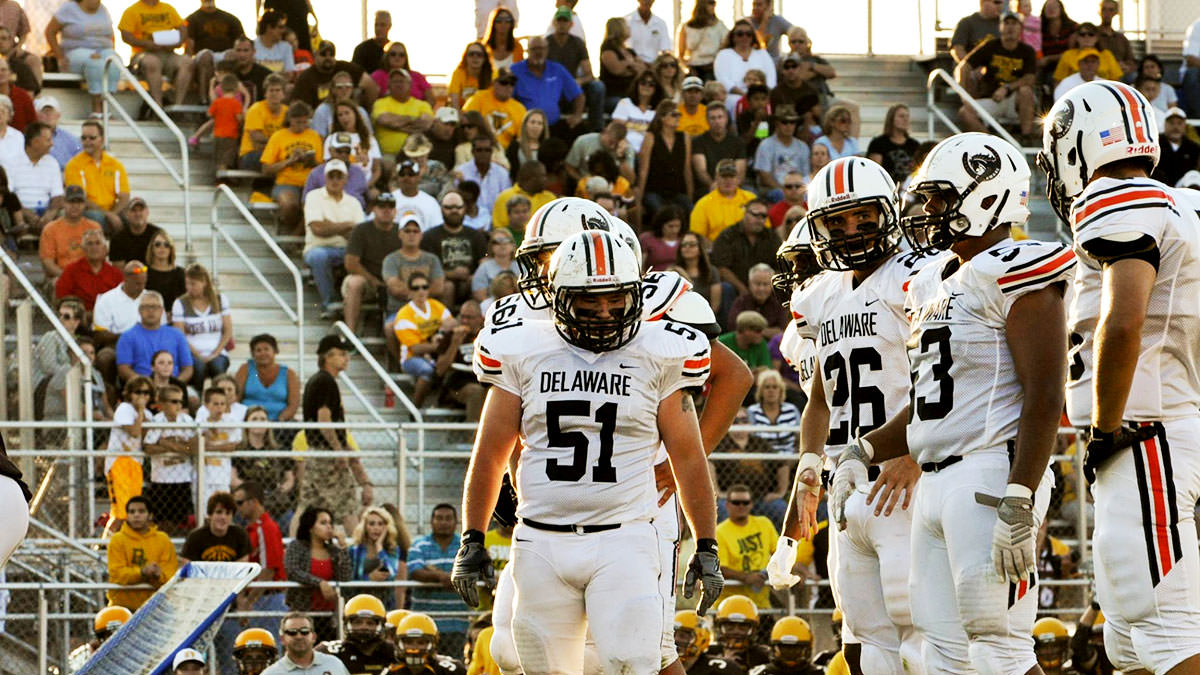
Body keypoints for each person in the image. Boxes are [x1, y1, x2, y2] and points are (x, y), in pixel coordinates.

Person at [829, 132, 1072, 673]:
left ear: (985, 196)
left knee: (999, 646)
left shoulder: (1014, 267)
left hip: (992, 473)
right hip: (938, 483)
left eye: (940, 198)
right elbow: (929, 405)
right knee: (941, 656)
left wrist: (1021, 493)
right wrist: (862, 451)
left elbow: (1045, 393)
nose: (928, 211)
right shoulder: (940, 280)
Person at [451, 229, 724, 671]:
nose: (605, 312)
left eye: (616, 300)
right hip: (540, 538)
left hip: (624, 538)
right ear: (558, 297)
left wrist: (707, 543)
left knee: (633, 661)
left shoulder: (660, 352)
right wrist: (472, 537)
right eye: (589, 302)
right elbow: (490, 454)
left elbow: (688, 457)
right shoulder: (523, 349)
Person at [1042, 81, 1200, 675]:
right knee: (1128, 637)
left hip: (1141, 432)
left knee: (1163, 625)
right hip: (1161, 428)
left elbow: (1124, 318)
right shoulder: (1181, 204)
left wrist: (1107, 427)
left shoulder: (1119, 200)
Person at [769, 156, 933, 675]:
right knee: (861, 635)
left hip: (901, 475)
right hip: (848, 479)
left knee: (920, 629)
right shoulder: (819, 295)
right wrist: (809, 467)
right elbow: (821, 397)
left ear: (889, 212)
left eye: (863, 217)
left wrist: (913, 453)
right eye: (836, 222)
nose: (852, 230)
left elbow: (938, 381)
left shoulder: (917, 276)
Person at [299, 336, 373, 533]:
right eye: (341, 354)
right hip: (327, 455)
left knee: (307, 507)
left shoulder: (319, 380)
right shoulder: (325, 381)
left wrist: (346, 451)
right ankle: (357, 550)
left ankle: (292, 545)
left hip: (317, 452)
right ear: (327, 356)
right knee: (348, 505)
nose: (346, 358)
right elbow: (324, 421)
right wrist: (339, 452)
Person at [957, 12, 1037, 143]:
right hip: (991, 99)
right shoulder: (990, 46)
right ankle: (991, 143)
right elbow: (964, 67)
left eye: (1014, 23)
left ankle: (1026, 137)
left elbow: (1030, 79)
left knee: (1026, 91)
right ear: (1000, 27)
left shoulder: (1027, 51)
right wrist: (965, 96)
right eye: (1006, 23)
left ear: (1021, 28)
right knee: (964, 112)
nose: (1010, 27)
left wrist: (1007, 88)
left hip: (1015, 100)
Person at [302, 159, 363, 320]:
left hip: (348, 249)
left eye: (339, 176)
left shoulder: (354, 202)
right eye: (331, 176)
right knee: (318, 256)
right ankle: (329, 303)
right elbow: (318, 229)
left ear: (345, 179)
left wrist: (331, 225)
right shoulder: (313, 196)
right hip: (319, 247)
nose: (335, 180)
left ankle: (354, 304)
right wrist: (347, 226)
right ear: (325, 178)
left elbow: (359, 234)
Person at [406, 504, 470, 657]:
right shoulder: (419, 544)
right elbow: (415, 571)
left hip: (456, 623)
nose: (443, 522)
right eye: (439, 518)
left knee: (454, 667)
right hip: (424, 622)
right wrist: (441, 577)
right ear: (431, 521)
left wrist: (434, 570)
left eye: (448, 519)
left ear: (456, 522)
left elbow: (473, 570)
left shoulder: (466, 545)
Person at [284, 507, 352, 641]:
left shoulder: (333, 551)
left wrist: (343, 548)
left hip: (329, 616)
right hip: (303, 614)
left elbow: (345, 576)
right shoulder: (297, 547)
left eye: (330, 523)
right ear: (310, 527)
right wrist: (319, 583)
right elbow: (293, 571)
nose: (329, 527)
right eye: (323, 523)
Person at [43, 0, 120, 115]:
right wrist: (59, 56)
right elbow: (50, 32)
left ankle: (107, 110)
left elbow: (110, 35)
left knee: (114, 63)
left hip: (103, 51)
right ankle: (97, 111)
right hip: (76, 52)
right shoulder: (68, 8)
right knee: (96, 63)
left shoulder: (103, 9)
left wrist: (111, 51)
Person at [233, 480, 290, 633]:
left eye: (239, 503)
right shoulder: (253, 528)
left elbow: (268, 571)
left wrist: (248, 602)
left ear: (253, 502)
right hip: (261, 597)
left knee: (270, 647)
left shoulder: (265, 528)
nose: (237, 508)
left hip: (266, 598)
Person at [341, 194, 402, 334]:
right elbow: (351, 263)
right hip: (367, 281)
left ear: (395, 211)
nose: (386, 210)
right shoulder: (361, 230)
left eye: (391, 207)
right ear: (374, 209)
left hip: (394, 280)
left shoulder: (402, 231)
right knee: (354, 282)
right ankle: (350, 335)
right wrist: (372, 280)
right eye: (381, 207)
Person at [106, 495, 179, 610]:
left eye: (141, 511)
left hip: (156, 607)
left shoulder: (163, 540)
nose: (136, 515)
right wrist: (142, 572)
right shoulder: (117, 540)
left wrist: (158, 575)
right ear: (127, 516)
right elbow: (117, 575)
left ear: (150, 515)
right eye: (132, 512)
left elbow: (171, 576)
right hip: (123, 607)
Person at [392, 271, 453, 406]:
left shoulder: (436, 306)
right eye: (416, 288)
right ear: (409, 291)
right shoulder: (404, 314)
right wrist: (438, 344)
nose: (421, 291)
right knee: (427, 370)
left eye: (424, 287)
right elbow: (415, 348)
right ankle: (415, 410)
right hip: (411, 358)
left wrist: (441, 336)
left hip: (435, 353)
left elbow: (452, 325)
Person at [261, 102, 322, 236]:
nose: (301, 126)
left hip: (310, 182)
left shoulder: (314, 136)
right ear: (290, 119)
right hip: (286, 183)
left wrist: (311, 161)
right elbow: (266, 169)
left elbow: (322, 167)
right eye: (297, 122)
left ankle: (296, 235)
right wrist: (289, 161)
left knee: (313, 205)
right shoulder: (278, 136)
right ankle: (296, 231)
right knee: (290, 205)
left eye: (304, 122)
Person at [142, 382, 195, 535]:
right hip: (161, 478)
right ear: (163, 404)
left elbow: (192, 448)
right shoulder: (157, 421)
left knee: (179, 519)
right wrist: (179, 446)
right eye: (174, 401)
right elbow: (149, 447)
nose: (178, 405)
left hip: (182, 477)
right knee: (161, 519)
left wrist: (164, 442)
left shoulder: (187, 420)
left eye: (180, 401)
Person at [118, 0, 192, 107]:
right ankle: (158, 106)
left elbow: (183, 29)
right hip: (143, 53)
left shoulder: (168, 8)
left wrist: (177, 43)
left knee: (187, 62)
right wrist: (146, 43)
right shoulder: (132, 10)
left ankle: (177, 105)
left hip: (168, 52)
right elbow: (125, 36)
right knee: (152, 62)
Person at [422, 191, 490, 306]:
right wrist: (450, 274)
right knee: (448, 286)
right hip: (442, 282)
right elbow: (426, 268)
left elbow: (485, 264)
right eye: (449, 207)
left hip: (470, 281)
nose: (454, 211)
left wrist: (475, 276)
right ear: (441, 210)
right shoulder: (429, 236)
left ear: (464, 209)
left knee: (476, 281)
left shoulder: (476, 236)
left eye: (458, 207)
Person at [512, 35, 585, 142]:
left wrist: (577, 115)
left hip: (553, 127)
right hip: (524, 128)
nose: (538, 52)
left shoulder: (557, 69)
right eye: (534, 49)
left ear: (547, 50)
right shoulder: (515, 70)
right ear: (527, 51)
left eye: (541, 48)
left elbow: (578, 95)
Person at [172, 262, 231, 391]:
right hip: (193, 352)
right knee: (198, 368)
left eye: (193, 284)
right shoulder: (180, 303)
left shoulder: (220, 300)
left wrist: (215, 353)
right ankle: (197, 400)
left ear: (204, 282)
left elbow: (227, 331)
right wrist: (198, 355)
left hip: (217, 351)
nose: (189, 287)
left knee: (218, 367)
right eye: (187, 283)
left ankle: (221, 400)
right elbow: (180, 336)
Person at [63, 120, 129, 233]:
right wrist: (108, 214)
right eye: (84, 138)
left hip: (112, 210)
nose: (87, 142)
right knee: (96, 218)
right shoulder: (74, 165)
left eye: (92, 138)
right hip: (87, 211)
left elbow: (124, 196)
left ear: (102, 140)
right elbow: (80, 198)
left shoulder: (115, 164)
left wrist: (113, 213)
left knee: (132, 217)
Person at [546, 6, 603, 133]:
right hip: (551, 84)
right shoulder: (546, 43)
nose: (561, 24)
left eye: (565, 21)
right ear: (554, 23)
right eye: (559, 21)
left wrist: (577, 82)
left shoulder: (578, 43)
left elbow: (589, 74)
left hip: (573, 85)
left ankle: (596, 129)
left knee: (598, 87)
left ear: (571, 24)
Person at [116, 290, 193, 383]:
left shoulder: (177, 335)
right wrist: (146, 385)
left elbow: (188, 368)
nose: (150, 310)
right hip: (142, 388)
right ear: (139, 311)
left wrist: (175, 384)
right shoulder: (127, 336)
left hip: (173, 386)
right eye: (146, 307)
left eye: (154, 307)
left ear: (161, 311)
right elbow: (123, 369)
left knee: (194, 398)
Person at [711, 199, 782, 298]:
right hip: (736, 289)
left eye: (763, 216)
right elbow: (722, 268)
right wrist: (742, 289)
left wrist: (765, 285)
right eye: (755, 215)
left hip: (766, 288)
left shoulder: (772, 237)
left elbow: (780, 266)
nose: (759, 219)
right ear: (745, 214)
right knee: (726, 288)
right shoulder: (728, 236)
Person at [638, 100, 693, 221]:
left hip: (677, 191)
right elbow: (643, 171)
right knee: (662, 215)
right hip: (654, 191)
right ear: (662, 118)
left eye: (679, 114)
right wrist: (639, 201)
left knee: (691, 211)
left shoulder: (684, 137)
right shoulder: (650, 137)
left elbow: (687, 170)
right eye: (674, 115)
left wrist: (690, 197)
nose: (678, 117)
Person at [432, 300, 485, 421]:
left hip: (483, 378)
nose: (465, 321)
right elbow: (440, 370)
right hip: (458, 382)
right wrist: (455, 343)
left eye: (470, 318)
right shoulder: (451, 336)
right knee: (476, 392)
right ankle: (472, 436)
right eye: (463, 317)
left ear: (480, 319)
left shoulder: (488, 335)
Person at [5, 121, 61, 232]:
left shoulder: (52, 163)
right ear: (35, 142)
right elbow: (9, 195)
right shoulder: (11, 162)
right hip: (19, 212)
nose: (52, 144)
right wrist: (26, 213)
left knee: (65, 214)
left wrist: (49, 215)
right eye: (48, 140)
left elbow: (58, 196)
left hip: (46, 211)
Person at [184, 0, 244, 103]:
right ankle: (204, 99)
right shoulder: (192, 19)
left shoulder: (230, 19)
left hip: (224, 53)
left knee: (231, 55)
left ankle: (231, 95)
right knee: (206, 56)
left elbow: (241, 40)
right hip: (202, 54)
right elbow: (189, 43)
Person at [38, 185, 100, 285]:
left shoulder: (94, 228)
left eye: (79, 202)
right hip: (60, 276)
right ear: (63, 203)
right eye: (71, 202)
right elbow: (48, 263)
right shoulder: (50, 229)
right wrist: (69, 277)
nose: (75, 206)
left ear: (85, 204)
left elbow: (100, 259)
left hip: (89, 276)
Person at [348, 506, 407, 610]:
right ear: (365, 527)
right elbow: (351, 580)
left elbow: (391, 573)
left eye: (380, 524)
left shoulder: (392, 549)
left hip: (385, 604)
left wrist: (379, 547)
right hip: (360, 602)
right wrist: (369, 579)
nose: (376, 528)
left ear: (386, 527)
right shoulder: (355, 550)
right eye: (371, 524)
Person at [317, 594, 395, 673]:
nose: (364, 627)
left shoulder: (392, 652)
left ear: (380, 626)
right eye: (358, 622)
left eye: (370, 623)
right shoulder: (331, 651)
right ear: (347, 624)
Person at [715, 19, 776, 116]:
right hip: (735, 97)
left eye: (748, 34)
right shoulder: (723, 55)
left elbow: (771, 79)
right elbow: (723, 80)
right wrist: (746, 96)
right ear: (733, 36)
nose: (744, 37)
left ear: (752, 37)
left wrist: (760, 95)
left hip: (761, 96)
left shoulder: (762, 54)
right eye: (740, 34)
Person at [292, 41, 376, 110]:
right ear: (315, 55)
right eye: (323, 54)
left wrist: (368, 109)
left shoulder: (345, 67)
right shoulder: (306, 77)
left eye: (331, 54)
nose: (328, 58)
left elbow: (370, 84)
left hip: (347, 112)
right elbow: (299, 106)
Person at [262, 612, 352, 675]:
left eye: (304, 631)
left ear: (313, 637)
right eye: (292, 632)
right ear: (282, 639)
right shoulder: (272, 673)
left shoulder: (334, 664)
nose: (299, 636)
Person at [691, 159, 757, 243]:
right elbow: (698, 235)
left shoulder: (751, 199)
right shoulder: (703, 203)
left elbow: (764, 228)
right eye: (724, 177)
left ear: (738, 179)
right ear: (716, 178)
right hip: (717, 250)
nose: (728, 181)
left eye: (731, 176)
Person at [372, 69, 433, 158]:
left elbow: (426, 124)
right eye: (394, 81)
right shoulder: (380, 103)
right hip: (389, 155)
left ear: (410, 85)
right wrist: (413, 120)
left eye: (401, 81)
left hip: (417, 155)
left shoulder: (422, 104)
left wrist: (395, 126)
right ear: (389, 85)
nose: (398, 84)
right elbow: (384, 120)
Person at [54, 229, 121, 310]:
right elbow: (62, 297)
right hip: (80, 317)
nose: (94, 247)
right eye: (90, 244)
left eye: (97, 243)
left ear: (105, 248)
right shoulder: (71, 270)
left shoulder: (115, 273)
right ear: (83, 249)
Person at [462, 67, 523, 150]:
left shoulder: (519, 109)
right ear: (494, 83)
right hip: (479, 148)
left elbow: (522, 139)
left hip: (505, 152)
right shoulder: (479, 98)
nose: (508, 86)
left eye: (512, 83)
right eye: (504, 82)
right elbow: (465, 122)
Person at [238, 72, 287, 173]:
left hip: (274, 152)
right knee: (281, 158)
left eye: (278, 90)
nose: (274, 94)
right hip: (251, 154)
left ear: (283, 94)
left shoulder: (287, 111)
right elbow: (256, 139)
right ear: (265, 93)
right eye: (271, 90)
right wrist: (279, 143)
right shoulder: (256, 109)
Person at [182, 491, 250, 562]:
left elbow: (243, 566)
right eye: (219, 512)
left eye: (228, 513)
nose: (223, 517)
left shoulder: (240, 536)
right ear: (210, 515)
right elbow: (188, 565)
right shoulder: (195, 537)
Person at [692, 106, 748, 194]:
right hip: (709, 187)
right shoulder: (698, 142)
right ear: (707, 120)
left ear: (726, 119)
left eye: (720, 117)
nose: (717, 122)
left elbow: (740, 172)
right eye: (712, 118)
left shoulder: (738, 142)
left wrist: (729, 187)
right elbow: (701, 171)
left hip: (733, 186)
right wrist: (713, 185)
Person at [565, 120, 636, 186]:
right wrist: (582, 182)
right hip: (587, 183)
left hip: (613, 187)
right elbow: (569, 167)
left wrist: (621, 158)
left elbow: (631, 181)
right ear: (604, 132)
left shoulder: (626, 149)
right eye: (611, 142)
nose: (613, 147)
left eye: (616, 144)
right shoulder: (583, 141)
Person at [390, 613, 466, 674]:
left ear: (432, 644)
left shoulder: (449, 670)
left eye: (421, 643)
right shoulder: (393, 671)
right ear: (398, 643)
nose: (414, 647)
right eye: (409, 642)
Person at [68, 606, 132, 674]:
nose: (115, 639)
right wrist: (93, 661)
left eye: (120, 634)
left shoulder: (139, 655)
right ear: (101, 638)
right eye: (109, 635)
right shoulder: (82, 658)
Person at [492, 161, 553, 232]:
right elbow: (499, 229)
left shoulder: (550, 198)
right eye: (543, 176)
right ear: (531, 178)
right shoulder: (504, 197)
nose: (546, 179)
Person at [729, 263, 787, 338]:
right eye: (757, 284)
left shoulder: (778, 303)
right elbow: (733, 327)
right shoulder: (741, 302)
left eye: (765, 284)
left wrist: (752, 331)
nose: (761, 289)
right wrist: (767, 332)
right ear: (750, 284)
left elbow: (782, 331)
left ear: (772, 286)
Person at [867, 104, 921, 184]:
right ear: (891, 119)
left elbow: (920, 171)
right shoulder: (878, 143)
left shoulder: (914, 144)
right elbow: (875, 172)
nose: (906, 119)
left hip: (910, 189)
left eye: (907, 116)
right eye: (901, 116)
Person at [713, 595, 772, 668]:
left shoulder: (764, 656)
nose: (736, 631)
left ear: (753, 629)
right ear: (719, 627)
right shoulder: (709, 653)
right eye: (730, 625)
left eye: (743, 626)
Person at [1052, 23, 1122, 84]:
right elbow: (1058, 81)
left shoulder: (1107, 55)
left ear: (1097, 38)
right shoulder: (1068, 55)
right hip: (1075, 94)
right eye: (1082, 34)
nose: (1086, 37)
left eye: (1091, 34)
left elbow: (1116, 81)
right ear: (1077, 38)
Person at [677, 0, 729, 82]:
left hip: (712, 68)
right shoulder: (687, 27)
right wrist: (687, 67)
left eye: (714, 3)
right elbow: (681, 54)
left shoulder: (719, 26)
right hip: (694, 68)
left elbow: (726, 46)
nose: (713, 6)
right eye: (710, 2)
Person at [673, 230, 722, 312]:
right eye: (684, 245)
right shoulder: (674, 272)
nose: (687, 247)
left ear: (700, 248)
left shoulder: (711, 271)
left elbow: (715, 305)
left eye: (692, 244)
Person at [1152, 106, 1200, 187]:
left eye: (1179, 123)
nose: (1175, 127)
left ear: (1185, 125)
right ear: (1165, 125)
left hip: (1184, 189)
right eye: (1171, 123)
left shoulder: (1193, 148)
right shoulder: (1156, 144)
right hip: (1160, 187)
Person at [758, 617, 823, 674]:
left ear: (807, 648)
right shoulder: (762, 672)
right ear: (775, 648)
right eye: (785, 647)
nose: (790, 652)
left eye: (796, 648)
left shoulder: (820, 672)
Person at [108, 197, 161, 266]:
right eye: (134, 210)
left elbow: (162, 265)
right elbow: (118, 270)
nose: (138, 214)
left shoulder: (158, 235)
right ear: (127, 214)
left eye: (141, 210)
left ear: (147, 212)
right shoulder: (118, 239)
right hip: (128, 275)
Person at [503, 108, 548, 182]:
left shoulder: (546, 147)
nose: (535, 126)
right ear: (525, 124)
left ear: (543, 127)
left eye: (540, 123)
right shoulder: (515, 146)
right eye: (532, 122)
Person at [145, 230, 185, 313]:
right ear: (152, 248)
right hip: (149, 317)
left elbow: (185, 300)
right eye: (157, 244)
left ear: (171, 249)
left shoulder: (181, 273)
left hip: (175, 318)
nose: (162, 248)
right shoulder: (144, 271)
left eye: (166, 245)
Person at [472, 230, 518, 300]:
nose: (502, 244)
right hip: (492, 305)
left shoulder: (521, 267)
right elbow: (480, 295)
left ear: (513, 245)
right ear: (491, 247)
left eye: (506, 240)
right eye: (497, 242)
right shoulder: (484, 267)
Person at [36, 96, 80, 169]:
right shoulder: (28, 139)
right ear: (37, 115)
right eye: (45, 111)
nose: (48, 115)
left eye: (51, 111)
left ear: (58, 115)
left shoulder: (71, 140)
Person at [450, 41, 494, 110]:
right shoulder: (458, 73)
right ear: (465, 57)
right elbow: (454, 100)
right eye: (471, 54)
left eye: (479, 55)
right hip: (462, 113)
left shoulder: (493, 75)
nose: (475, 57)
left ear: (485, 59)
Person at [626, 0, 671, 65]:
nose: (647, 1)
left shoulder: (661, 23)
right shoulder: (627, 21)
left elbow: (665, 49)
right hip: (632, 65)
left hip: (654, 67)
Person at [252, 11, 295, 75]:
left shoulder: (286, 47)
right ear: (269, 28)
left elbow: (290, 74)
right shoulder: (252, 46)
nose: (283, 30)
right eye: (280, 27)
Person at [481, 7, 521, 71]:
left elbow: (521, 72)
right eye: (499, 21)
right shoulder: (484, 48)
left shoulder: (517, 47)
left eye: (507, 21)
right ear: (493, 23)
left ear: (512, 24)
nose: (503, 24)